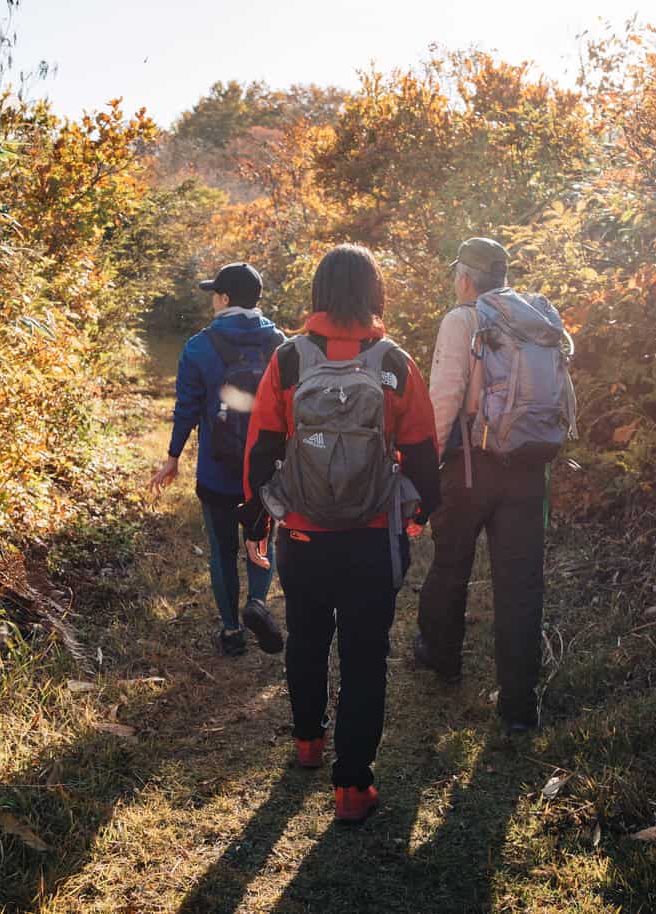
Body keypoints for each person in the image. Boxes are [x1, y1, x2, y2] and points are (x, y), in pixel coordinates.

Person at [242, 243, 440, 823]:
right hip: (372, 536)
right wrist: (420, 515)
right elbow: (424, 453)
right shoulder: (395, 363)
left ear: (319, 293)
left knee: (306, 636)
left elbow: (262, 447)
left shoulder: (290, 361)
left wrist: (258, 515)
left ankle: (308, 743)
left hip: (303, 534)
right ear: (375, 292)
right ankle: (354, 788)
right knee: (364, 655)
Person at [415, 237, 575, 733]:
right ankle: (519, 705)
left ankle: (442, 660)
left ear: (465, 276)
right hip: (529, 466)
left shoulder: (463, 319)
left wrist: (425, 471)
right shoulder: (534, 318)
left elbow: (444, 398)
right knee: (521, 581)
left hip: (471, 464)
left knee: (451, 563)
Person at [149, 262, 286, 657]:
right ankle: (257, 605)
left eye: (215, 293)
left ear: (224, 299)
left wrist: (173, 457)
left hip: (217, 469)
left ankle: (230, 631)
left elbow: (186, 409)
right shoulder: (279, 343)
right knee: (260, 540)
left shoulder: (198, 346)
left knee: (222, 549)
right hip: (264, 469)